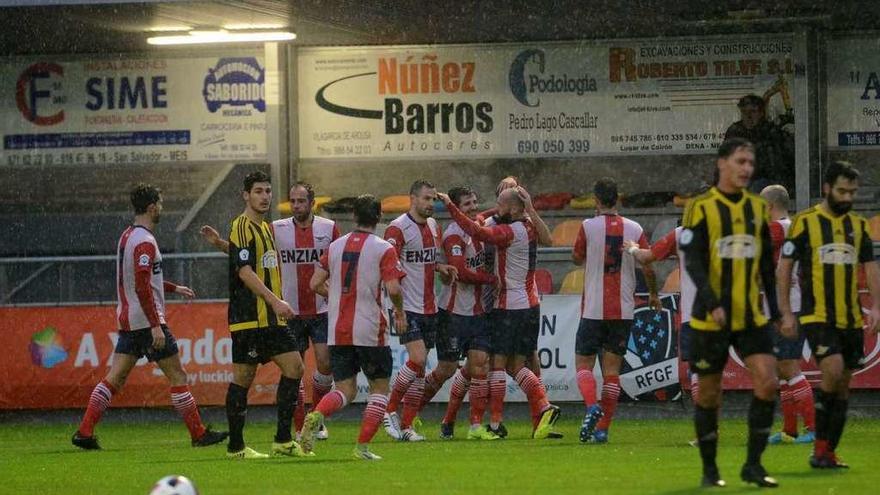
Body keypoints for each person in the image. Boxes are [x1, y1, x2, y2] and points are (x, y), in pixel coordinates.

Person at [72, 184, 227, 450]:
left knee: (115, 378)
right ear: (153, 206)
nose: (162, 209)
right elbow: (142, 285)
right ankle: (199, 434)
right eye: (161, 204)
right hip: (147, 322)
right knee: (178, 377)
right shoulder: (145, 241)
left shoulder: (127, 236)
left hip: (129, 320)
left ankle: (84, 431)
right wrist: (155, 325)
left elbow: (139, 277)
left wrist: (172, 287)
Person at [201, 181, 340, 441]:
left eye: (302, 201)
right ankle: (292, 430)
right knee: (277, 372)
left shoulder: (327, 228)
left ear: (313, 203)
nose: (297, 205)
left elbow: (337, 261)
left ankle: (311, 420)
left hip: (316, 309)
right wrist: (220, 243)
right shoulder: (273, 228)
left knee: (321, 364)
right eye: (293, 201)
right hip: (283, 310)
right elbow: (244, 260)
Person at [680, 138, 781, 488]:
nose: (746, 169)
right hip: (711, 318)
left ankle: (753, 465)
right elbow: (693, 262)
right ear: (722, 163)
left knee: (768, 383)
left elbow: (767, 265)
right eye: (740, 161)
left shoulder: (757, 207)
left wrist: (778, 310)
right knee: (709, 395)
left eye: (750, 163)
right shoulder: (700, 207)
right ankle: (710, 470)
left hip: (752, 315)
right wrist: (712, 302)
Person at [778, 161, 880, 469]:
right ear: (826, 188)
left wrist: (876, 306)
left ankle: (826, 450)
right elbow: (785, 269)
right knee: (833, 370)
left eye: (852, 192)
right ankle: (820, 446)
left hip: (850, 318)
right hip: (816, 315)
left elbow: (871, 268)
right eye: (841, 191)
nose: (847, 197)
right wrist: (785, 311)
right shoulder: (804, 223)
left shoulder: (859, 226)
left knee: (843, 382)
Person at [438, 186, 561, 439]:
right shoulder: (526, 223)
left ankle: (495, 422)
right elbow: (484, 219)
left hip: (504, 305)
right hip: (529, 305)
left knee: (495, 365)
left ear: (515, 207)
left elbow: (475, 229)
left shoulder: (508, 229)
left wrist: (450, 206)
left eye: (501, 202)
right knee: (512, 364)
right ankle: (541, 410)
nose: (497, 206)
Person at [301, 194, 407, 460]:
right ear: (379, 217)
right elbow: (393, 287)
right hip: (370, 329)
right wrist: (401, 311)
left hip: (338, 329)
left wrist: (335, 295)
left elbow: (314, 283)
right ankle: (362, 448)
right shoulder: (384, 248)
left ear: (355, 217)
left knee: (345, 390)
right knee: (379, 388)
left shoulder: (336, 246)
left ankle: (317, 415)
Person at [223, 171, 307, 459]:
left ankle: (282, 440)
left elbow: (244, 258)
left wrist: (222, 247)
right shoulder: (242, 225)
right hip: (250, 318)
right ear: (246, 195)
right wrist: (275, 302)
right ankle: (235, 447)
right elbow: (244, 271)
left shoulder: (265, 228)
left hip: (270, 320)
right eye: (258, 191)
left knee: (295, 367)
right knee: (243, 379)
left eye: (268, 191)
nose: (264, 196)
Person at [573, 177, 660, 444]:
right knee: (612, 371)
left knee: (583, 364)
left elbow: (576, 257)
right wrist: (654, 293)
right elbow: (647, 264)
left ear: (596, 200)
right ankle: (603, 429)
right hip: (622, 309)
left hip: (594, 309)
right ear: (618, 199)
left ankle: (590, 406)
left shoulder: (588, 226)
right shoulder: (634, 228)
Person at [382, 179, 457, 442]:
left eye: (433, 199)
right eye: (426, 198)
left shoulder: (435, 227)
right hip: (407, 306)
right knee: (418, 359)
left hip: (430, 306)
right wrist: (397, 310)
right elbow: (390, 268)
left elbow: (425, 261)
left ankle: (406, 426)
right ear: (412, 199)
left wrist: (441, 268)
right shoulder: (397, 229)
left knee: (421, 371)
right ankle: (388, 409)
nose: (430, 204)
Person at [625, 221, 701, 446]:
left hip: (694, 315)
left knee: (698, 375)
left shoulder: (682, 233)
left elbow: (648, 257)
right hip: (721, 314)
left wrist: (632, 248)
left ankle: (706, 431)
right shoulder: (724, 233)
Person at [435, 186, 500, 440]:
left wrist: (517, 202)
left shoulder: (479, 224)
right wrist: (491, 279)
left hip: (478, 313)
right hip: (452, 314)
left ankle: (475, 426)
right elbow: (461, 273)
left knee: (479, 366)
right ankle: (418, 415)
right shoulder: (453, 236)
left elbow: (489, 212)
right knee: (446, 370)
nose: (473, 208)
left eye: (474, 202)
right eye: (467, 205)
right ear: (455, 209)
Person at [759, 185, 815, 445]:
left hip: (788, 307)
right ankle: (789, 430)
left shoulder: (783, 226)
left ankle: (814, 429)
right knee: (781, 368)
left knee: (789, 366)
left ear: (769, 206)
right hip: (779, 306)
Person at [724, 94, 794, 193]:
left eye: (753, 112)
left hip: (767, 181)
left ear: (761, 113)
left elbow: (778, 164)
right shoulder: (735, 131)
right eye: (744, 112)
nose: (748, 116)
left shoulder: (771, 131)